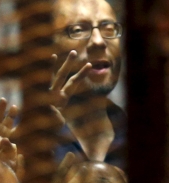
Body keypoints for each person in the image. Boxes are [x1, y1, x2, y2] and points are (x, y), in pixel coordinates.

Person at [50, 0, 126, 166]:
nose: (98, 41)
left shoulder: (142, 135)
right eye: (78, 30)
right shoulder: (20, 136)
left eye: (108, 28)